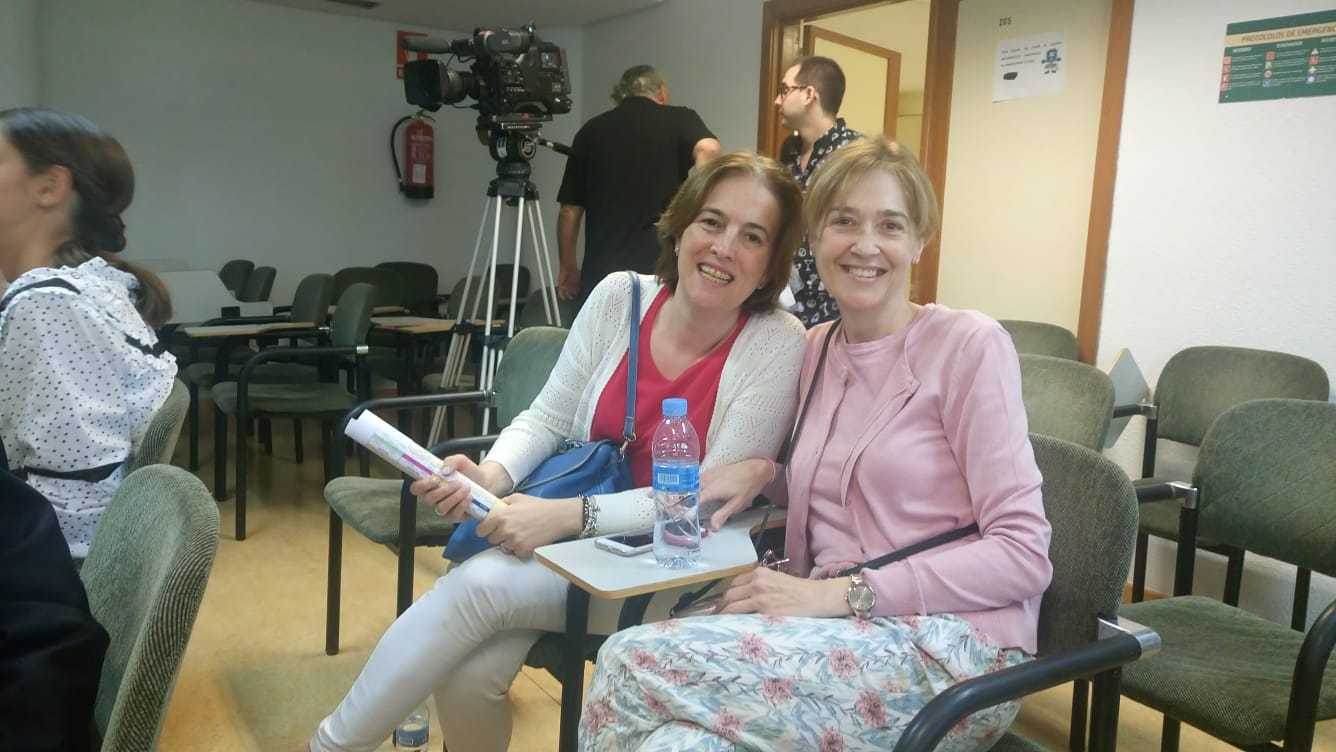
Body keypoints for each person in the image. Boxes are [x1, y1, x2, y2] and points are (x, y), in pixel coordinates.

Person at [308, 152, 807, 752]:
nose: (724, 247)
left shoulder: (778, 341)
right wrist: (489, 476)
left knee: (480, 585)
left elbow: (701, 502)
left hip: (677, 565)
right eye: (712, 221)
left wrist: (566, 517)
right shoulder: (621, 296)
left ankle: (328, 746)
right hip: (576, 548)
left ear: (771, 264)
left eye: (752, 236)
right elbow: (547, 416)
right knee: (470, 675)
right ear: (679, 229)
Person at [582, 137, 1053, 752]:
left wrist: (837, 595)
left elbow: (1023, 553)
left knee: (629, 660)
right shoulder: (816, 348)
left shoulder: (969, 346)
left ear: (919, 241)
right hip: (833, 628)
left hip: (952, 653)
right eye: (844, 222)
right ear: (815, 239)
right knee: (677, 744)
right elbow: (847, 490)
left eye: (890, 225)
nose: (865, 244)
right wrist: (766, 473)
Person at [0, 107, 176, 558]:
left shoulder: (49, 304)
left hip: (51, 576)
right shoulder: (88, 289)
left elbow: (74, 511)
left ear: (49, 186)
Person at [557, 64, 723, 304]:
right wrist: (695, 206)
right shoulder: (680, 118)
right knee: (656, 327)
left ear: (619, 96)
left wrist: (568, 267)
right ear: (661, 93)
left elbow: (569, 211)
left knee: (602, 328)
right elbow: (709, 149)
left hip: (602, 271)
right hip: (660, 264)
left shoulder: (589, 131)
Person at [775, 55, 862, 328]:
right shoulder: (789, 152)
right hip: (786, 299)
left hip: (834, 304)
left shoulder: (854, 153)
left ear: (809, 94)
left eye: (784, 90)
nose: (777, 100)